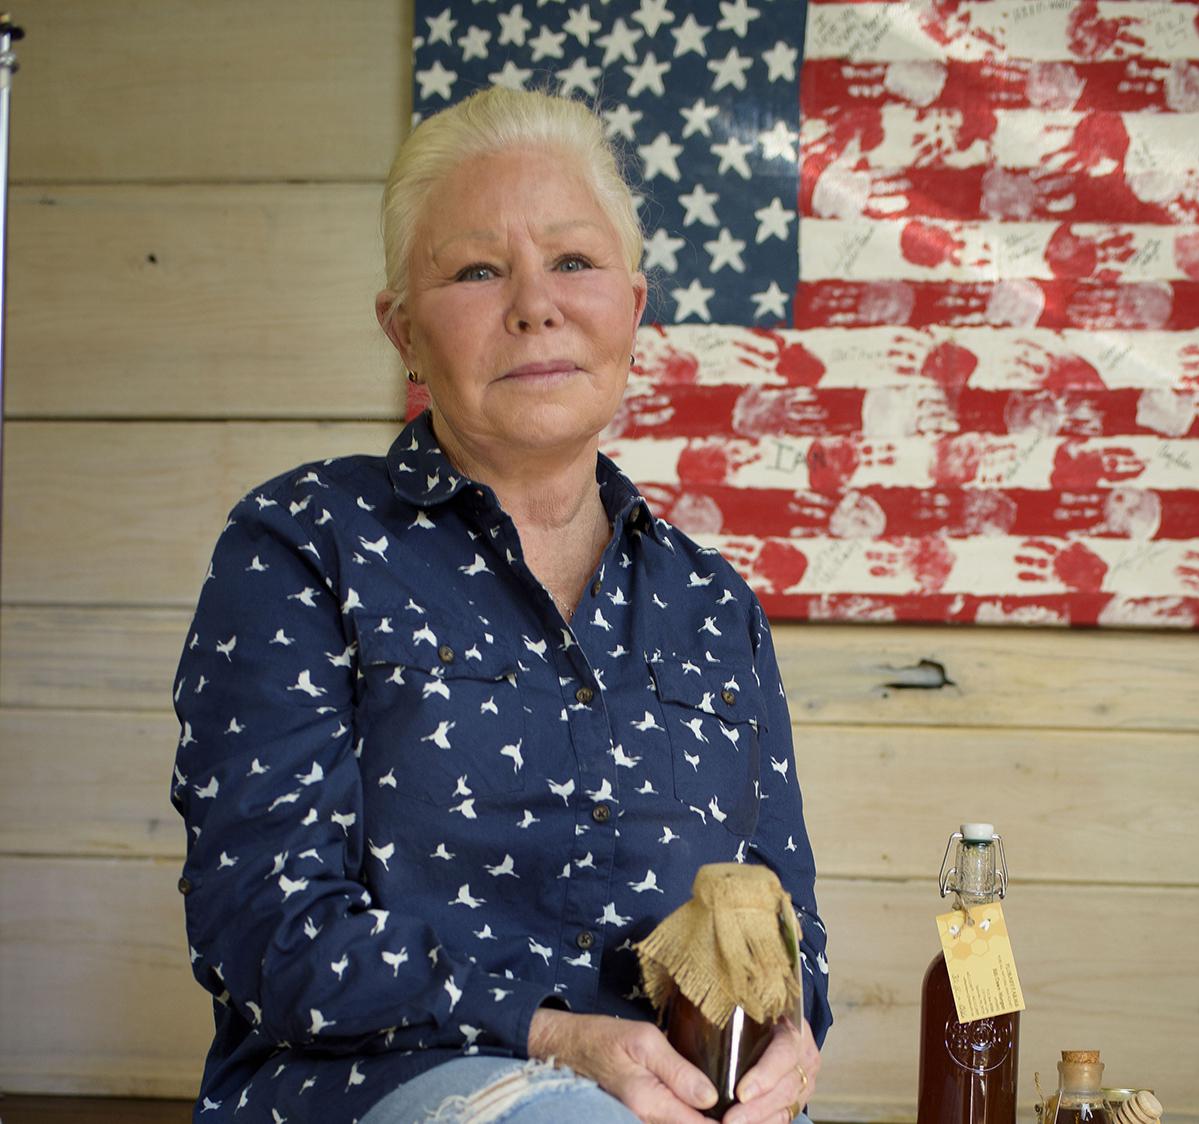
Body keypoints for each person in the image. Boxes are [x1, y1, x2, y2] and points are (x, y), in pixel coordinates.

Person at [169, 86, 830, 1124]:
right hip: (370, 1090)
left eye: (573, 261)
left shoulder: (715, 606)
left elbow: (788, 928)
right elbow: (265, 923)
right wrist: (554, 1031)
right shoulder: (303, 547)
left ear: (633, 303)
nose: (536, 303)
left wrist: (795, 1037)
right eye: (478, 270)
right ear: (403, 331)